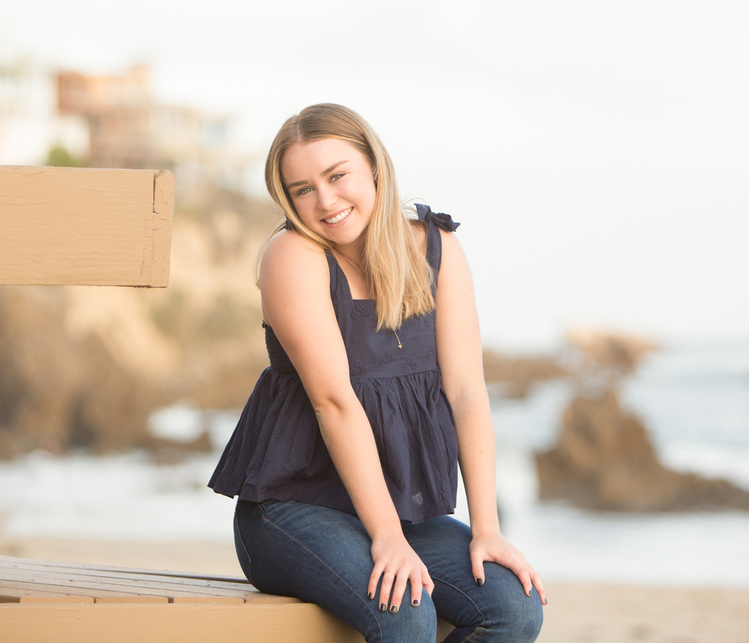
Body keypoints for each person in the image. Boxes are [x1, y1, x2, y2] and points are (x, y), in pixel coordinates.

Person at [208, 103, 545, 643]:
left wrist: (487, 529)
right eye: (302, 189)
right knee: (405, 609)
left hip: (403, 516)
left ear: (374, 167)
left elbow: (466, 391)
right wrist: (386, 537)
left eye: (337, 175)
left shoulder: (436, 247)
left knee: (515, 607)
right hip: (292, 513)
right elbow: (333, 401)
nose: (326, 201)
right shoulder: (293, 255)